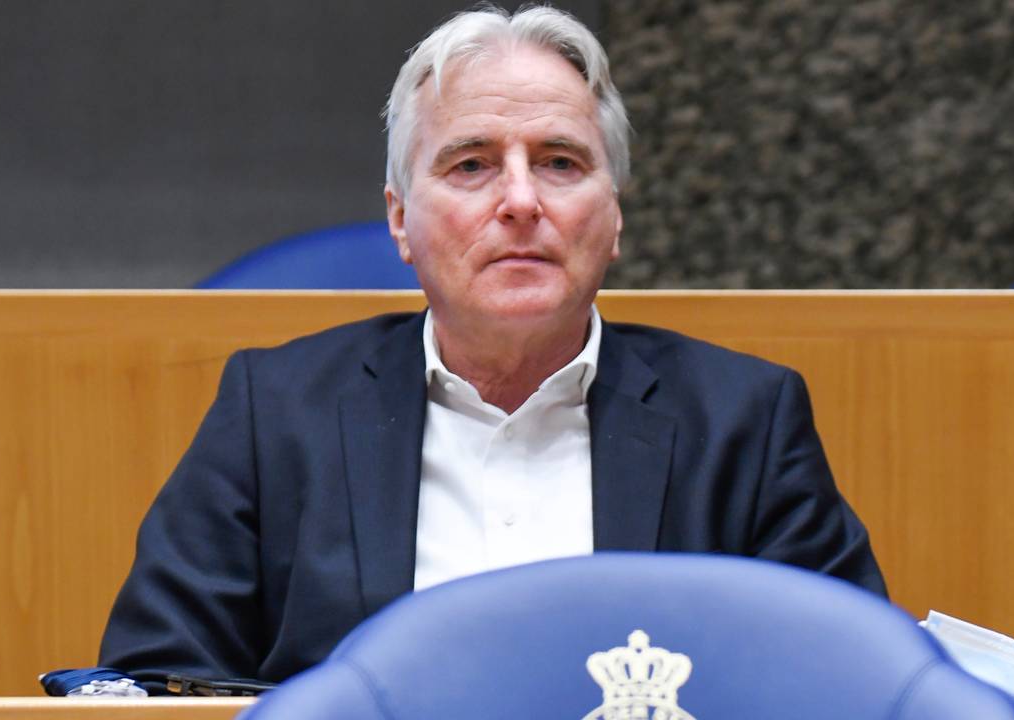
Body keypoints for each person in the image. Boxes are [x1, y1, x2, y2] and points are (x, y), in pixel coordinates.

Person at [99, 4, 886, 693]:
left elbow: (856, 680)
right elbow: (155, 682)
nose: (520, 201)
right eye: (472, 164)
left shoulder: (744, 424)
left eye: (560, 163)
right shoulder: (273, 415)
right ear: (401, 219)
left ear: (614, 217)